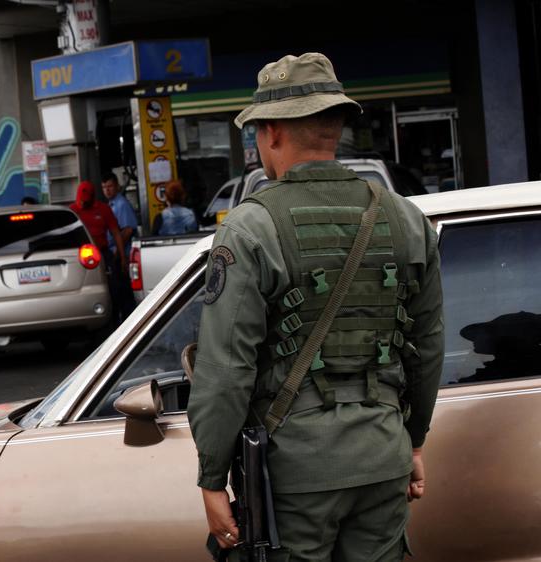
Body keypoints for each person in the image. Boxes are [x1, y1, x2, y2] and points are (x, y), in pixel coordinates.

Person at [187, 52, 443, 561]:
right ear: (337, 125)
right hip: (383, 455)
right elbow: (427, 345)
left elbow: (224, 366)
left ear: (273, 132)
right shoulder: (407, 219)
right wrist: (412, 442)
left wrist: (212, 479)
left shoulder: (250, 228)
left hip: (295, 474)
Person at [100, 172, 139, 321]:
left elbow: (128, 230)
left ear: (116, 186)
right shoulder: (110, 205)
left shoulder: (121, 204)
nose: (107, 190)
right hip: (114, 252)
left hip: (121, 254)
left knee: (124, 294)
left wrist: (117, 252)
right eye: (104, 187)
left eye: (110, 186)